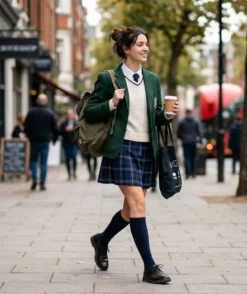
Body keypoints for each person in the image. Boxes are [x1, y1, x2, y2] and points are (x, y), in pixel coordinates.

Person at [84, 26, 178, 284]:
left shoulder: (153, 80)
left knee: (129, 209)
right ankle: (150, 267)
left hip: (146, 149)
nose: (145, 48)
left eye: (146, 44)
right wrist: (112, 102)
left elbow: (154, 117)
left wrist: (166, 116)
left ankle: (101, 240)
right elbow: (90, 112)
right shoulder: (109, 79)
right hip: (122, 148)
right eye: (139, 44)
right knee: (138, 204)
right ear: (126, 49)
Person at [23, 94, 58, 191]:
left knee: (33, 161)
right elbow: (55, 128)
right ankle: (42, 184)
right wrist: (54, 139)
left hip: (33, 141)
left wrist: (29, 136)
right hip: (45, 141)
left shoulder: (31, 112)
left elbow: (26, 126)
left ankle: (34, 178)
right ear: (46, 102)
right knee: (43, 163)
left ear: (37, 101)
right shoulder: (50, 113)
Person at [177, 109, 201, 179]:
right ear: (191, 113)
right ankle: (193, 173)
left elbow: (178, 132)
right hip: (193, 141)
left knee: (186, 158)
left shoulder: (182, 121)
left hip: (185, 141)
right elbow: (198, 132)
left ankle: (187, 174)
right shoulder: (195, 121)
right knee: (193, 158)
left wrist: (182, 138)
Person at [59, 108, 79, 180]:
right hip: (66, 143)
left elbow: (79, 132)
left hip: (74, 143)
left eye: (71, 114)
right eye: (68, 114)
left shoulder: (76, 122)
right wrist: (65, 129)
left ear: (73, 114)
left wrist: (73, 129)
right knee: (67, 159)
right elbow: (59, 131)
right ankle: (69, 173)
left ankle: (74, 172)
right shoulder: (64, 123)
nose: (70, 115)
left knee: (73, 157)